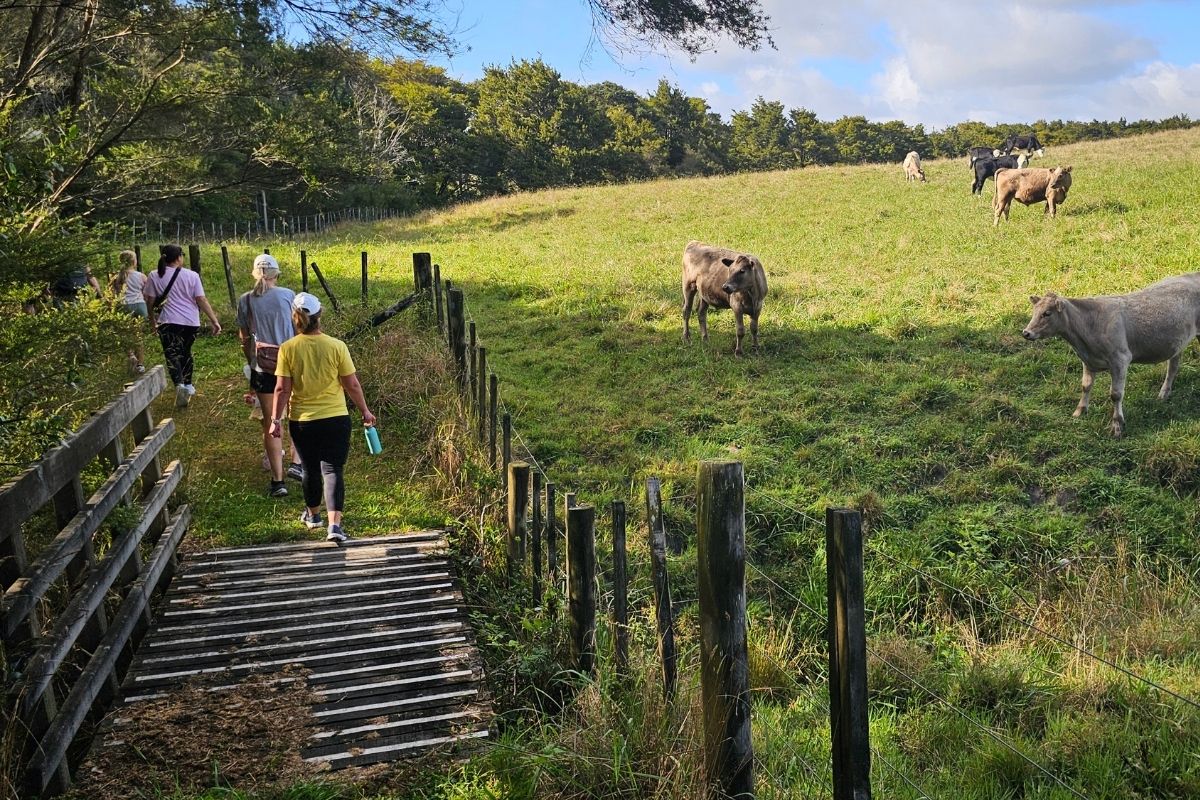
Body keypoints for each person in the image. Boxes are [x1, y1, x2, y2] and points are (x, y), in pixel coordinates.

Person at [270, 292, 376, 543]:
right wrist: (365, 410)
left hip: (302, 421)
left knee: (309, 469)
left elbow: (282, 389)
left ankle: (313, 515)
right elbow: (351, 384)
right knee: (332, 469)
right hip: (335, 418)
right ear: (320, 316)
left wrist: (275, 420)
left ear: (295, 318)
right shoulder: (336, 346)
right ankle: (334, 526)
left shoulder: (288, 348)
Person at [236, 254, 304, 497]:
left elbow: (244, 339)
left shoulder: (245, 300)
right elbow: (299, 330)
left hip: (263, 366)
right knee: (297, 414)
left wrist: (251, 363)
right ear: (277, 274)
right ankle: (297, 463)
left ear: (255, 274)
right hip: (291, 363)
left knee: (271, 422)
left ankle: (278, 481)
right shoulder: (288, 295)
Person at [142, 244, 222, 407]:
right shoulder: (192, 275)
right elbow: (201, 299)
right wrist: (214, 320)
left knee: (171, 353)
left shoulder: (154, 275)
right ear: (179, 258)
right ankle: (188, 384)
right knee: (185, 352)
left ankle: (179, 385)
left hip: (167, 321)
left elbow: (149, 301)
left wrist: (152, 322)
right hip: (190, 321)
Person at [109, 249, 147, 374]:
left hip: (125, 306)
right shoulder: (141, 276)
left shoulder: (116, 277)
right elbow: (147, 291)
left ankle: (131, 355)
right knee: (138, 335)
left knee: (125, 334)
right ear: (134, 262)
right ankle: (140, 365)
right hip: (140, 306)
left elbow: (113, 294)